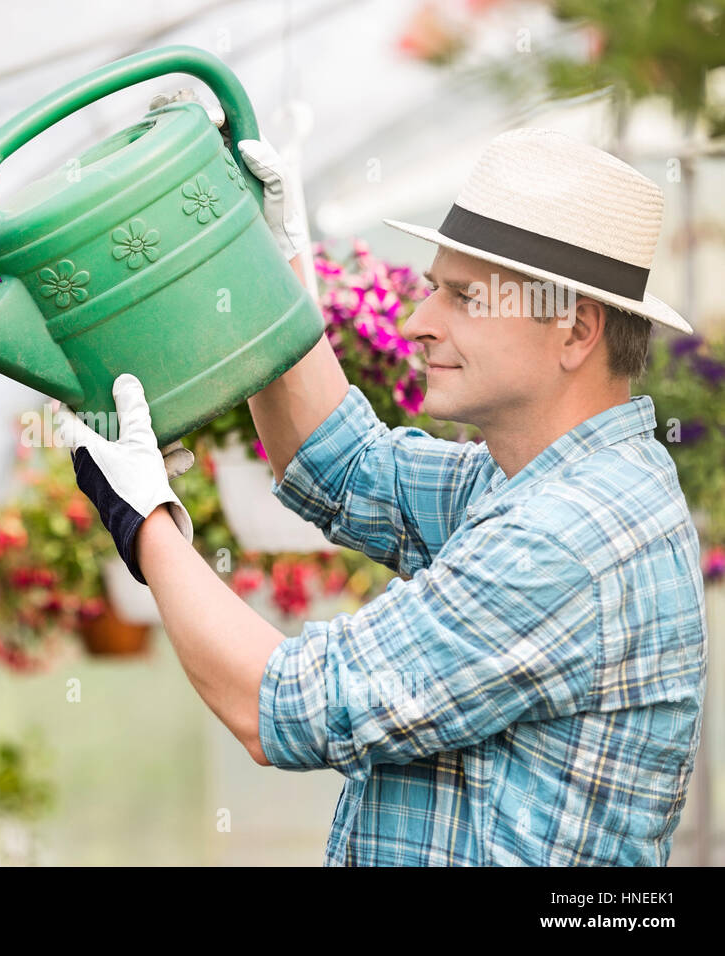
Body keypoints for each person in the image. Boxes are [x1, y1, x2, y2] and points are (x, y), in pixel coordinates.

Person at [55, 120, 707, 866]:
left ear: (575, 330)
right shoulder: (553, 477)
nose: (417, 323)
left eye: (464, 297)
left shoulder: (563, 539)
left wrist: (142, 518)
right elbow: (343, 466)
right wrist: (267, 268)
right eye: (434, 289)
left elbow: (279, 706)